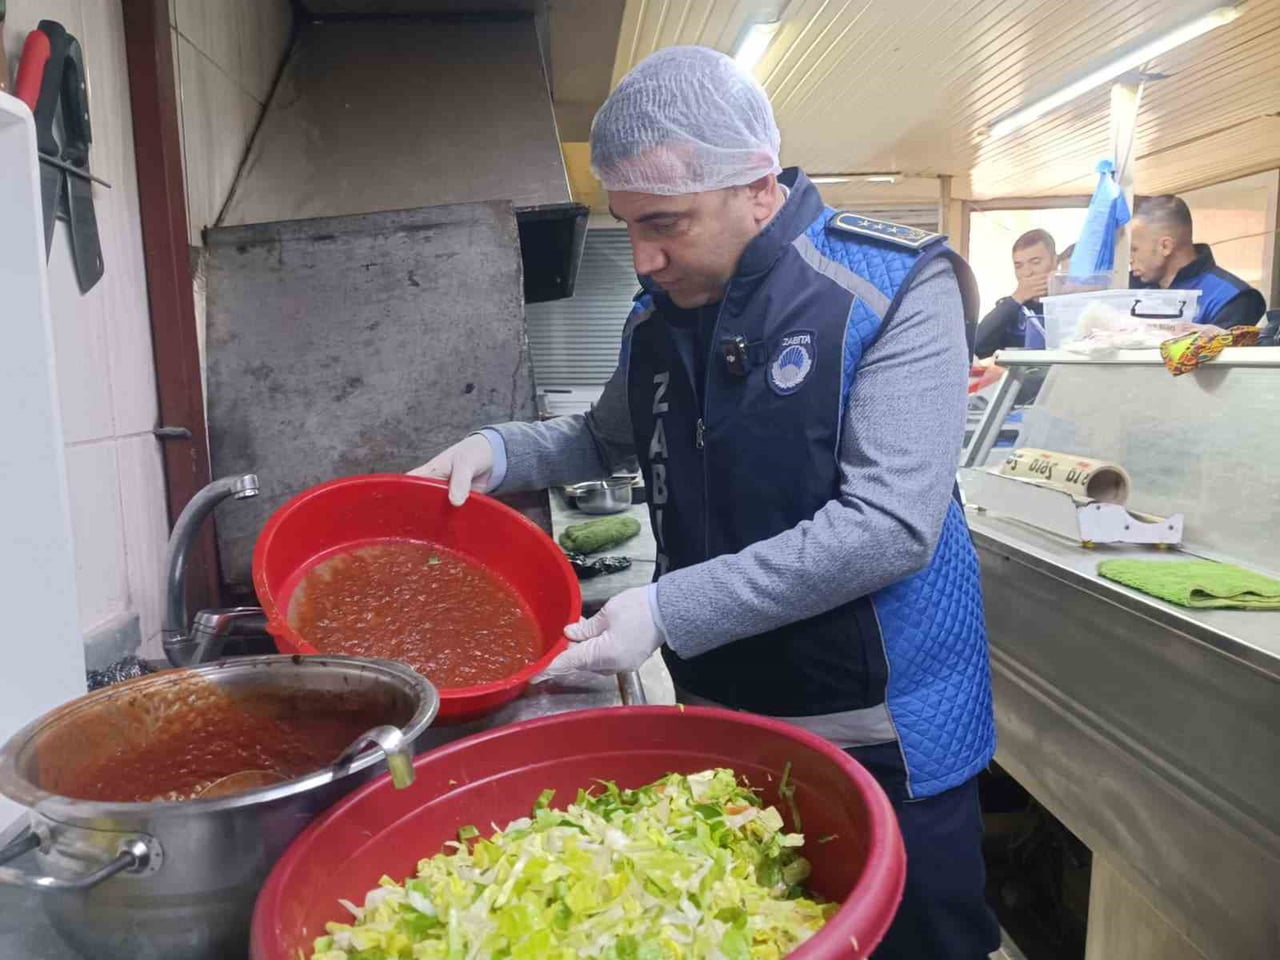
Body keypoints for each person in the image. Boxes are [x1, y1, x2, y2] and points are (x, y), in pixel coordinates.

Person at [413, 46, 999, 960]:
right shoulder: (659, 319)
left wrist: (665, 607)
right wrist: (498, 449)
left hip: (880, 736)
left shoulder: (892, 290)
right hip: (725, 718)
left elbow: (888, 527)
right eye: (628, 224)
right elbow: (604, 437)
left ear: (758, 188)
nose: (642, 259)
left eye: (666, 225)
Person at [1130, 194, 1267, 328]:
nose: (1129, 259)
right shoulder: (1127, 288)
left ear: (1165, 246)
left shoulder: (1234, 298)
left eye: (1134, 249)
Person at [974, 228, 1056, 357]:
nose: (1027, 272)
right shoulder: (1011, 308)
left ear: (1054, 261)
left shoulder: (1069, 304)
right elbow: (978, 347)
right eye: (1019, 266)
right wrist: (1016, 299)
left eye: (1035, 262)